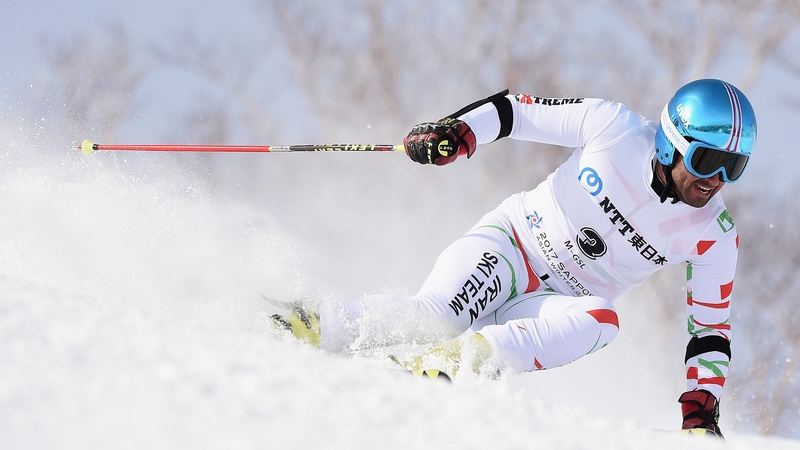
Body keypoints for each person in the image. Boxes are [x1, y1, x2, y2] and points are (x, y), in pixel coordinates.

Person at [272, 79, 756, 436]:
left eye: (732, 166)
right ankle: (310, 323)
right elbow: (515, 111)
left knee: (604, 321)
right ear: (671, 141)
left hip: (552, 304)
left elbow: (710, 329)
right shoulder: (614, 128)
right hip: (512, 245)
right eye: (706, 160)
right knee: (437, 316)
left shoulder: (713, 233)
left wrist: (700, 405)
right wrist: (460, 132)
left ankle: (454, 364)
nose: (716, 180)